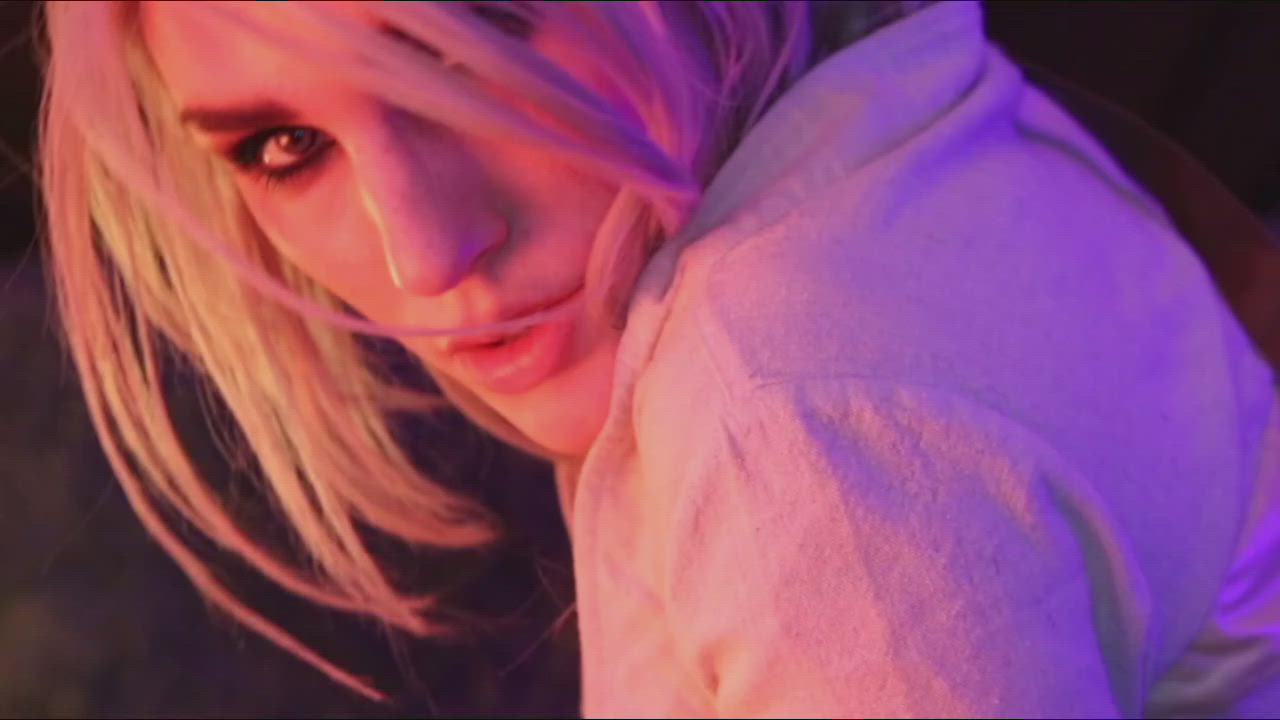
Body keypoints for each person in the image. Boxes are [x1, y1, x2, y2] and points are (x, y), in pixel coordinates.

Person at [35, 0, 1280, 716]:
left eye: (467, 48)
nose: (423, 253)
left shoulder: (797, 429)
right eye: (283, 147)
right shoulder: (914, 126)